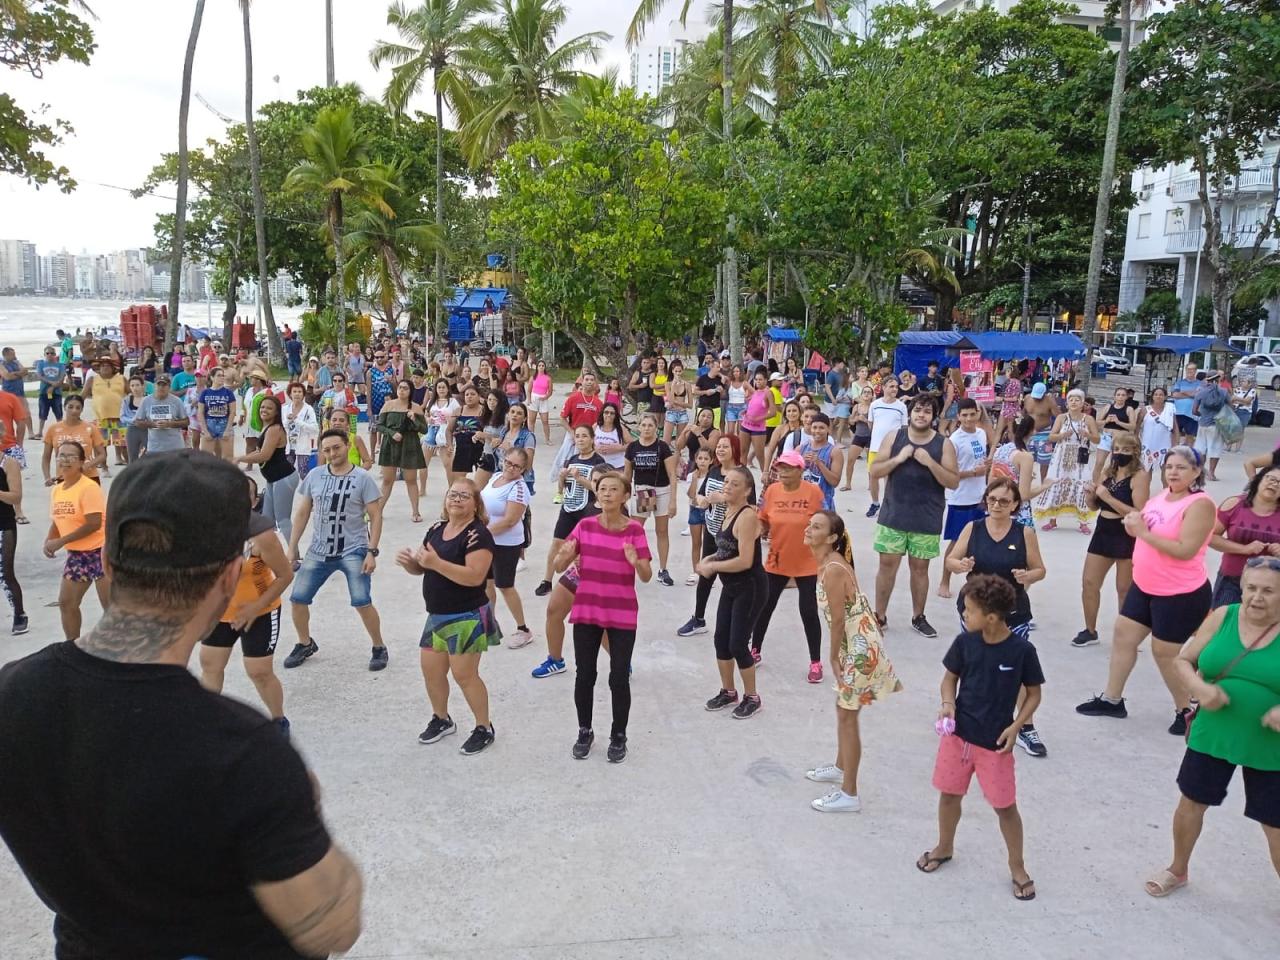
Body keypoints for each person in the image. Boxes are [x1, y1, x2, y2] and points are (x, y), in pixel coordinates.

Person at [0, 449, 364, 960]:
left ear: (107, 560)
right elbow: (333, 928)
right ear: (229, 577)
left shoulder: (13, 693)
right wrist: (305, 802)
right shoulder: (240, 751)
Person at [1143, 556, 1280, 897]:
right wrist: (1200, 688)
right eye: (1250, 588)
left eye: (1268, 591)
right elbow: (1183, 659)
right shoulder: (1224, 616)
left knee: (1276, 824)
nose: (1256, 597)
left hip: (1270, 743)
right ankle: (1178, 868)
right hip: (1214, 731)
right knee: (1191, 801)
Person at [917, 574, 1043, 901]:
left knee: (1005, 807)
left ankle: (1017, 866)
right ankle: (944, 847)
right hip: (958, 738)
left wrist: (1017, 727)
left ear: (990, 617)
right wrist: (947, 705)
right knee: (949, 795)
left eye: (969, 611)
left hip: (995, 745)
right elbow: (949, 680)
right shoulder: (964, 643)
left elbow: (1033, 694)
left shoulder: (1021, 651)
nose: (964, 616)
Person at [1077, 446, 1216, 734]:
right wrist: (1133, 527)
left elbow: (1185, 550)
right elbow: (1144, 525)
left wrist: (1143, 533)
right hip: (1146, 585)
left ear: (1196, 473)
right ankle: (1112, 699)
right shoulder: (1161, 498)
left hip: (1180, 592)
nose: (1173, 472)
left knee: (1165, 653)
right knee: (1123, 635)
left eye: (1181, 467)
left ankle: (1186, 710)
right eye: (1169, 467)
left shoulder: (1199, 504)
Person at [804, 510, 902, 812]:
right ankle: (839, 766)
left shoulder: (833, 568)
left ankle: (849, 794)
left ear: (832, 538)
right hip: (857, 642)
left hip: (859, 648)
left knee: (848, 716)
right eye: (810, 524)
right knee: (844, 711)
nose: (808, 529)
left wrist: (832, 657)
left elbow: (836, 621)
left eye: (816, 527)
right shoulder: (829, 562)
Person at [945, 477, 1048, 757]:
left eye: (1004, 500)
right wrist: (961, 565)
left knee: (1016, 671)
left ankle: (1025, 726)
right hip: (975, 612)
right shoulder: (973, 528)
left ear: (1015, 504)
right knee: (973, 666)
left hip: (1013, 613)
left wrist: (1029, 576)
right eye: (992, 499)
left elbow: (1040, 569)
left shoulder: (1024, 533)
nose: (997, 505)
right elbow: (951, 560)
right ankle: (963, 717)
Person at [397, 478, 499, 756]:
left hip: (466, 614)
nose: (456, 499)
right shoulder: (436, 529)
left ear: (476, 504)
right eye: (452, 494)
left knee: (465, 675)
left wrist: (435, 563)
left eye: (464, 496)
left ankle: (484, 727)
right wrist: (413, 566)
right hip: (437, 615)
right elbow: (425, 567)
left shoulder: (478, 535)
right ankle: (441, 718)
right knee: (431, 671)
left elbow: (475, 577)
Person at [556, 472, 652, 762]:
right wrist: (566, 553)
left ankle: (618, 735)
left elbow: (646, 576)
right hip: (586, 611)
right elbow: (560, 562)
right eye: (602, 489)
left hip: (621, 612)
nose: (607, 493)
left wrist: (637, 562)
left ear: (625, 496)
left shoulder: (635, 531)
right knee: (584, 674)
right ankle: (584, 731)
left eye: (614, 489)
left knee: (619, 677)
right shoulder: (584, 526)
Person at [283, 429, 389, 672]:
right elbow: (302, 512)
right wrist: (292, 547)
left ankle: (378, 646)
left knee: (362, 600)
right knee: (298, 599)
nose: (332, 453)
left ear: (346, 446)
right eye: (327, 450)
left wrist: (372, 551)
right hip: (319, 549)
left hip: (354, 548)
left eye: (336, 448)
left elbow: (375, 515)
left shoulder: (362, 478)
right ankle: (305, 643)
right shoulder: (315, 475)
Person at [199, 475, 294, 734]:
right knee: (210, 665)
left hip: (260, 611)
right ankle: (209, 721)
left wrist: (255, 607)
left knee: (259, 671)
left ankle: (278, 720)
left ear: (254, 501)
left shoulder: (263, 537)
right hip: (220, 613)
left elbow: (286, 576)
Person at [869, 395, 959, 637]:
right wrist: (898, 459)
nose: (921, 415)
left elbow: (953, 481)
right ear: (910, 413)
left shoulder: (944, 444)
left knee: (920, 569)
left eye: (927, 411)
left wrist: (930, 462)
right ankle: (879, 616)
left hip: (926, 517)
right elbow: (875, 470)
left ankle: (918, 616)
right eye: (918, 410)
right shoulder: (894, 437)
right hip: (893, 514)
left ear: (933, 416)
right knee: (886, 567)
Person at [751, 449, 825, 679]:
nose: (782, 472)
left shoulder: (813, 492)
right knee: (764, 607)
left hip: (806, 562)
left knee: (808, 611)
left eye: (788, 468)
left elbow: (825, 525)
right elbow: (762, 522)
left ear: (800, 470)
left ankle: (815, 662)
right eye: (780, 467)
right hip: (777, 560)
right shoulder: (772, 491)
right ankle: (755, 650)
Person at [700, 466, 767, 719]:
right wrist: (709, 560)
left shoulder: (747, 516)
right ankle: (728, 691)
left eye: (735, 484)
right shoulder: (728, 511)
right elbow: (728, 549)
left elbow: (745, 561)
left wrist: (713, 566)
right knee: (721, 641)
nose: (727, 486)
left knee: (738, 643)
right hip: (731, 587)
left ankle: (752, 697)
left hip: (750, 587)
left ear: (748, 491)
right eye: (726, 482)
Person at [1073, 432, 1150, 648]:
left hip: (1125, 532)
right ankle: (1090, 630)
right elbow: (1095, 506)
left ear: (1135, 452)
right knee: (1089, 582)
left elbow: (1139, 512)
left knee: (1124, 588)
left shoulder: (1139, 476)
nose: (1120, 454)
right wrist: (1091, 496)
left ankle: (1126, 635)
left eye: (1126, 450)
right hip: (1103, 529)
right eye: (1117, 449)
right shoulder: (1108, 472)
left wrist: (1108, 497)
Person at [677, 434, 743, 637]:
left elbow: (749, 505)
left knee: (733, 582)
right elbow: (701, 494)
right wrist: (702, 499)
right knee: (705, 576)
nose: (721, 450)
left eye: (726, 446)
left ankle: (740, 627)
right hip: (712, 532)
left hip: (732, 537)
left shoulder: (742, 474)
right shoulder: (714, 470)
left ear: (735, 449)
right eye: (719, 446)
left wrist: (723, 498)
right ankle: (698, 619)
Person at [44, 440, 108, 641]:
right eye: (61, 455)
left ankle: (123, 656)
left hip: (102, 552)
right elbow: (59, 519)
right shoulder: (57, 489)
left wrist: (61, 541)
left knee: (112, 609)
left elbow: (93, 524)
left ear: (82, 462)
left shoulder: (88, 488)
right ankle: (72, 648)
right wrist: (50, 538)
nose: (65, 460)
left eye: (71, 456)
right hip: (77, 555)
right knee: (67, 603)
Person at [937, 399, 991, 599]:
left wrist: (985, 468)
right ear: (958, 416)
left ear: (978, 413)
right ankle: (944, 581)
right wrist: (972, 472)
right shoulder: (954, 440)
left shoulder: (982, 433)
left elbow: (980, 461)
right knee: (956, 543)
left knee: (980, 542)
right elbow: (949, 472)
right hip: (959, 498)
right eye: (964, 415)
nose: (968, 419)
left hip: (980, 496)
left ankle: (977, 583)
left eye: (972, 414)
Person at [481, 448, 533, 647]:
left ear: (524, 469)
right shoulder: (495, 477)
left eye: (516, 466)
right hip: (489, 540)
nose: (511, 468)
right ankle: (489, 623)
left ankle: (523, 629)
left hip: (506, 544)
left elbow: (510, 520)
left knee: (505, 585)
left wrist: (481, 534)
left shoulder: (519, 488)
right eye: (508, 462)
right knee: (487, 583)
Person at [1210, 466, 1280, 609]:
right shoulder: (1234, 504)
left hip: (1271, 585)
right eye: (1271, 478)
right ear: (1258, 480)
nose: (1274, 484)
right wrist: (1244, 549)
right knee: (1224, 622)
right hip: (1231, 579)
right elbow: (1210, 537)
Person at [1033, 389, 1098, 534]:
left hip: (1079, 457)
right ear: (1067, 403)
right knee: (1056, 482)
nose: (1074, 402)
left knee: (1082, 484)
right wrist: (1062, 435)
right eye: (1071, 400)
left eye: (1077, 399)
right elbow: (1051, 437)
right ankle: (1052, 520)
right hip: (1061, 455)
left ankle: (1083, 522)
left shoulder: (1088, 419)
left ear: (1083, 403)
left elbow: (1097, 439)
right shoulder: (1062, 418)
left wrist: (1087, 435)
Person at [623, 413, 677, 586]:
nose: (646, 428)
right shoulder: (632, 448)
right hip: (643, 492)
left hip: (661, 490)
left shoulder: (662, 447)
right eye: (644, 425)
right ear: (639, 427)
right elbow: (626, 476)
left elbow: (672, 474)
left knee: (662, 531)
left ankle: (663, 569)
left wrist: (673, 501)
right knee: (635, 530)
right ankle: (629, 567)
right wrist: (623, 499)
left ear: (656, 428)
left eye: (650, 425)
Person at [235, 395, 299, 542]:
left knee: (283, 520)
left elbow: (264, 455)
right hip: (273, 479)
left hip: (284, 478)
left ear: (276, 412)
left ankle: (295, 557)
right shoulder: (266, 428)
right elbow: (259, 451)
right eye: (262, 407)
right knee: (266, 521)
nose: (264, 410)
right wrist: (240, 457)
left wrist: (240, 458)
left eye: (269, 408)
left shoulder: (275, 429)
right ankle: (264, 555)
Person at [375, 379, 427, 523]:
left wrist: (414, 418)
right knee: (387, 480)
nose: (402, 390)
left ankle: (416, 511)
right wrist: (392, 433)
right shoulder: (388, 405)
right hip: (390, 444)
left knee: (410, 479)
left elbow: (424, 429)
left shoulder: (416, 407)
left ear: (410, 391)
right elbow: (379, 425)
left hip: (410, 445)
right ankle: (378, 511)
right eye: (400, 388)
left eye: (405, 388)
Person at [865, 377, 908, 517]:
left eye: (896, 386)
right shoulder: (875, 405)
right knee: (873, 476)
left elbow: (904, 428)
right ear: (883, 387)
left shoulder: (901, 407)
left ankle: (888, 504)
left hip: (893, 448)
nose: (894, 389)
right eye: (891, 386)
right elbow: (871, 424)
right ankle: (875, 503)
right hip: (875, 448)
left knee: (889, 479)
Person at [41, 393, 105, 485]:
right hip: (64, 477)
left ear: (82, 410)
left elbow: (102, 455)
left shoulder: (91, 428)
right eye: (70, 407)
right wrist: (47, 477)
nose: (74, 411)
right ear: (64, 407)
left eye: (78, 408)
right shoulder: (53, 429)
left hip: (89, 477)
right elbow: (46, 457)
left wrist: (86, 466)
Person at [552, 372, 604, 481]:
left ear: (595, 384)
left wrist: (591, 434)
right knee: (564, 460)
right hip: (572, 434)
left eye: (592, 380)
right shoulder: (573, 399)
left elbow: (600, 422)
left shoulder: (599, 403)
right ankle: (560, 485)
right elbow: (562, 418)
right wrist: (571, 432)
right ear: (582, 382)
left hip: (589, 437)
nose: (589, 382)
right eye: (587, 379)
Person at [0, 425, 26, 634]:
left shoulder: (9, 463)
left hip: (4, 523)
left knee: (5, 573)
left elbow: (16, 497)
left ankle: (19, 613)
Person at [84, 356, 128, 468]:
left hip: (120, 417)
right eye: (102, 365)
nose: (105, 367)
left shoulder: (121, 378)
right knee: (101, 445)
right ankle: (104, 467)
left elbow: (132, 394)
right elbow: (82, 396)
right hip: (101, 418)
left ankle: (130, 466)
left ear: (113, 368)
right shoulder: (92, 380)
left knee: (124, 444)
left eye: (108, 365)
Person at [798, 412, 844, 511]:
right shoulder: (801, 448)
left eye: (821, 428)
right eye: (814, 427)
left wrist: (819, 464)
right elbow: (791, 475)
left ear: (828, 429)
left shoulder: (834, 452)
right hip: (801, 502)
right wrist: (801, 462)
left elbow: (835, 482)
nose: (817, 431)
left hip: (823, 504)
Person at [134, 373, 189, 454]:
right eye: (158, 385)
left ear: (169, 387)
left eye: (164, 385)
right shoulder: (146, 401)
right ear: (154, 386)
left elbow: (186, 422)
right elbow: (138, 422)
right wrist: (153, 424)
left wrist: (169, 424)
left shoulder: (176, 401)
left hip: (175, 448)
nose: (161, 388)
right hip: (154, 448)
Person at [1192, 370, 1231, 482]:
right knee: (1215, 449)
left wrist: (1202, 415)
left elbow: (1194, 411)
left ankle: (1200, 472)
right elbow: (1231, 406)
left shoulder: (1200, 392)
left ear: (1206, 379)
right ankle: (1211, 474)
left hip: (1203, 424)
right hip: (1217, 425)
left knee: (1201, 449)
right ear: (1218, 379)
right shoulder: (1224, 392)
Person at [739, 369, 776, 472]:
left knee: (760, 455)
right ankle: (742, 475)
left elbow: (773, 412)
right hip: (746, 425)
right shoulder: (756, 392)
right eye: (756, 380)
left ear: (766, 380)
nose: (758, 382)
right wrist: (746, 412)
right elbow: (754, 406)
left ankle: (765, 476)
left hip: (758, 429)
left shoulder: (768, 393)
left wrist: (758, 419)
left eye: (760, 380)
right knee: (743, 452)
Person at [1021, 382, 1059, 481]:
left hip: (1044, 434)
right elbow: (1024, 413)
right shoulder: (1028, 398)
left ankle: (1043, 486)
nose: (1036, 399)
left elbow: (1059, 417)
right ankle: (1025, 484)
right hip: (1029, 434)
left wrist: (1055, 434)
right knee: (1026, 461)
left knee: (1044, 463)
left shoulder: (1049, 401)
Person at [197, 365, 237, 460]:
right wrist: (205, 430)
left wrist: (228, 430)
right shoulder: (205, 393)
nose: (222, 378)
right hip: (209, 425)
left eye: (223, 375)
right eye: (219, 375)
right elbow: (200, 412)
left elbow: (232, 412)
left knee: (228, 457)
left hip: (224, 424)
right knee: (206, 458)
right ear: (212, 377)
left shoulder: (228, 393)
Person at [282, 381, 319, 478]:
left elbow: (315, 429)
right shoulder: (285, 409)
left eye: (299, 392)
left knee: (304, 473)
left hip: (303, 446)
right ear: (290, 394)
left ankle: (307, 492)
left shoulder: (308, 409)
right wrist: (288, 421)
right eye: (294, 391)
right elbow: (281, 426)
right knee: (287, 473)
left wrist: (297, 421)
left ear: (303, 395)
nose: (297, 394)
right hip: (288, 446)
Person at [1141, 386, 1179, 476]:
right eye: (1156, 394)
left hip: (1164, 445)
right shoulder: (1145, 410)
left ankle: (1167, 490)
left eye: (1161, 395)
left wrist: (1175, 445)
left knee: (1166, 474)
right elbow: (1137, 427)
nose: (1158, 396)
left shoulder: (1169, 410)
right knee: (1146, 474)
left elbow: (1175, 428)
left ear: (1165, 397)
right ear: (1152, 396)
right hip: (1147, 445)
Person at [33, 345, 65, 438]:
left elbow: (61, 378)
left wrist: (54, 386)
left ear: (55, 354)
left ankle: (61, 430)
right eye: (47, 353)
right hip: (44, 392)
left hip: (57, 393)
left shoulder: (60, 365)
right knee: (43, 411)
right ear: (44, 354)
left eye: (52, 353)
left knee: (58, 412)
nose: (50, 355)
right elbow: (40, 376)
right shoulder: (41, 364)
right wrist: (51, 383)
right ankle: (40, 431)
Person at [1171, 361, 1202, 441]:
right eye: (1188, 369)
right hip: (1178, 412)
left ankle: (1188, 452)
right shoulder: (1179, 382)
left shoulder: (1200, 384)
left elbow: (1198, 395)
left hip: (1191, 413)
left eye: (1192, 369)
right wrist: (1192, 393)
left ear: (1195, 371)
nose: (1190, 371)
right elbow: (1175, 395)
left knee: (1190, 436)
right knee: (1175, 434)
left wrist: (1183, 392)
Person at [528, 360, 554, 442]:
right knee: (532, 420)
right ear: (537, 367)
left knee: (545, 421)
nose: (541, 367)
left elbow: (550, 391)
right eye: (539, 365)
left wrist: (545, 397)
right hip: (534, 398)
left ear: (545, 367)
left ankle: (547, 439)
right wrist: (529, 400)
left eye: (543, 365)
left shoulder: (548, 378)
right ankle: (530, 439)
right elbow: (529, 390)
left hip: (543, 399)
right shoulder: (533, 377)